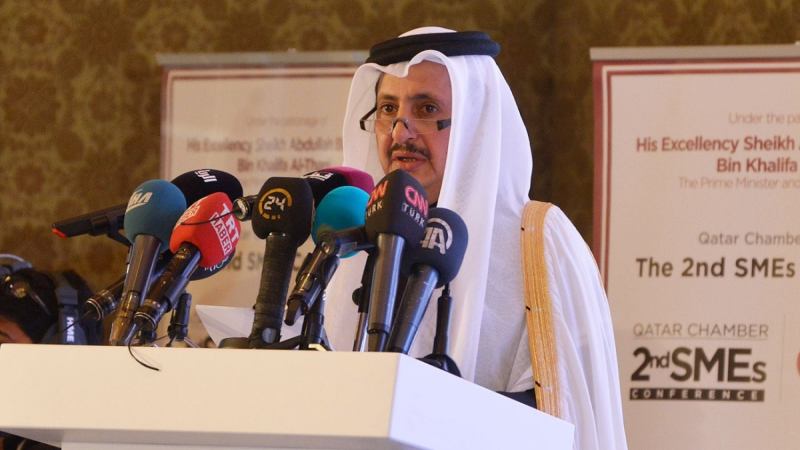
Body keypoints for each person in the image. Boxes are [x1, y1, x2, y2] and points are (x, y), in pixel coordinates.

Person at [324, 27, 628, 449]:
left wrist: (427, 412)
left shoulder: (539, 239)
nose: (399, 133)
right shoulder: (357, 240)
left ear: (475, 123)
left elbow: (564, 415)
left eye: (426, 109)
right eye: (388, 109)